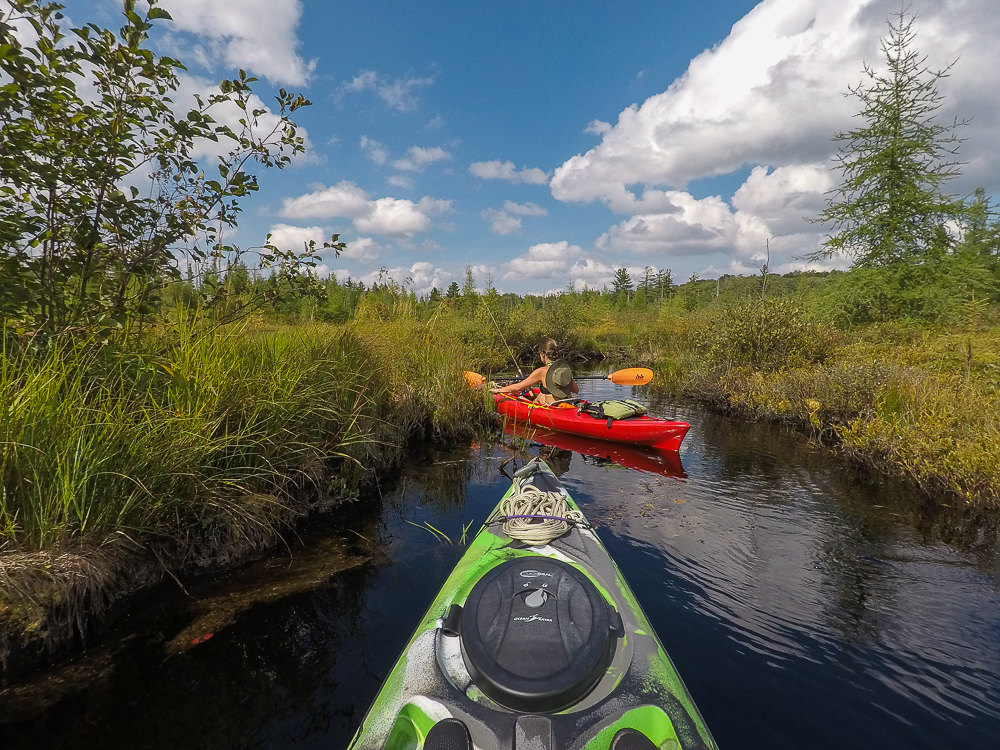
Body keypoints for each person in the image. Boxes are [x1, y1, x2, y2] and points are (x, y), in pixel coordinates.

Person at [491, 339, 578, 405]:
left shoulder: (542, 371)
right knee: (541, 395)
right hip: (567, 404)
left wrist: (499, 390)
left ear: (543, 355)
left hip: (552, 407)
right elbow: (576, 390)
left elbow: (517, 387)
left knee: (523, 397)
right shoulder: (564, 370)